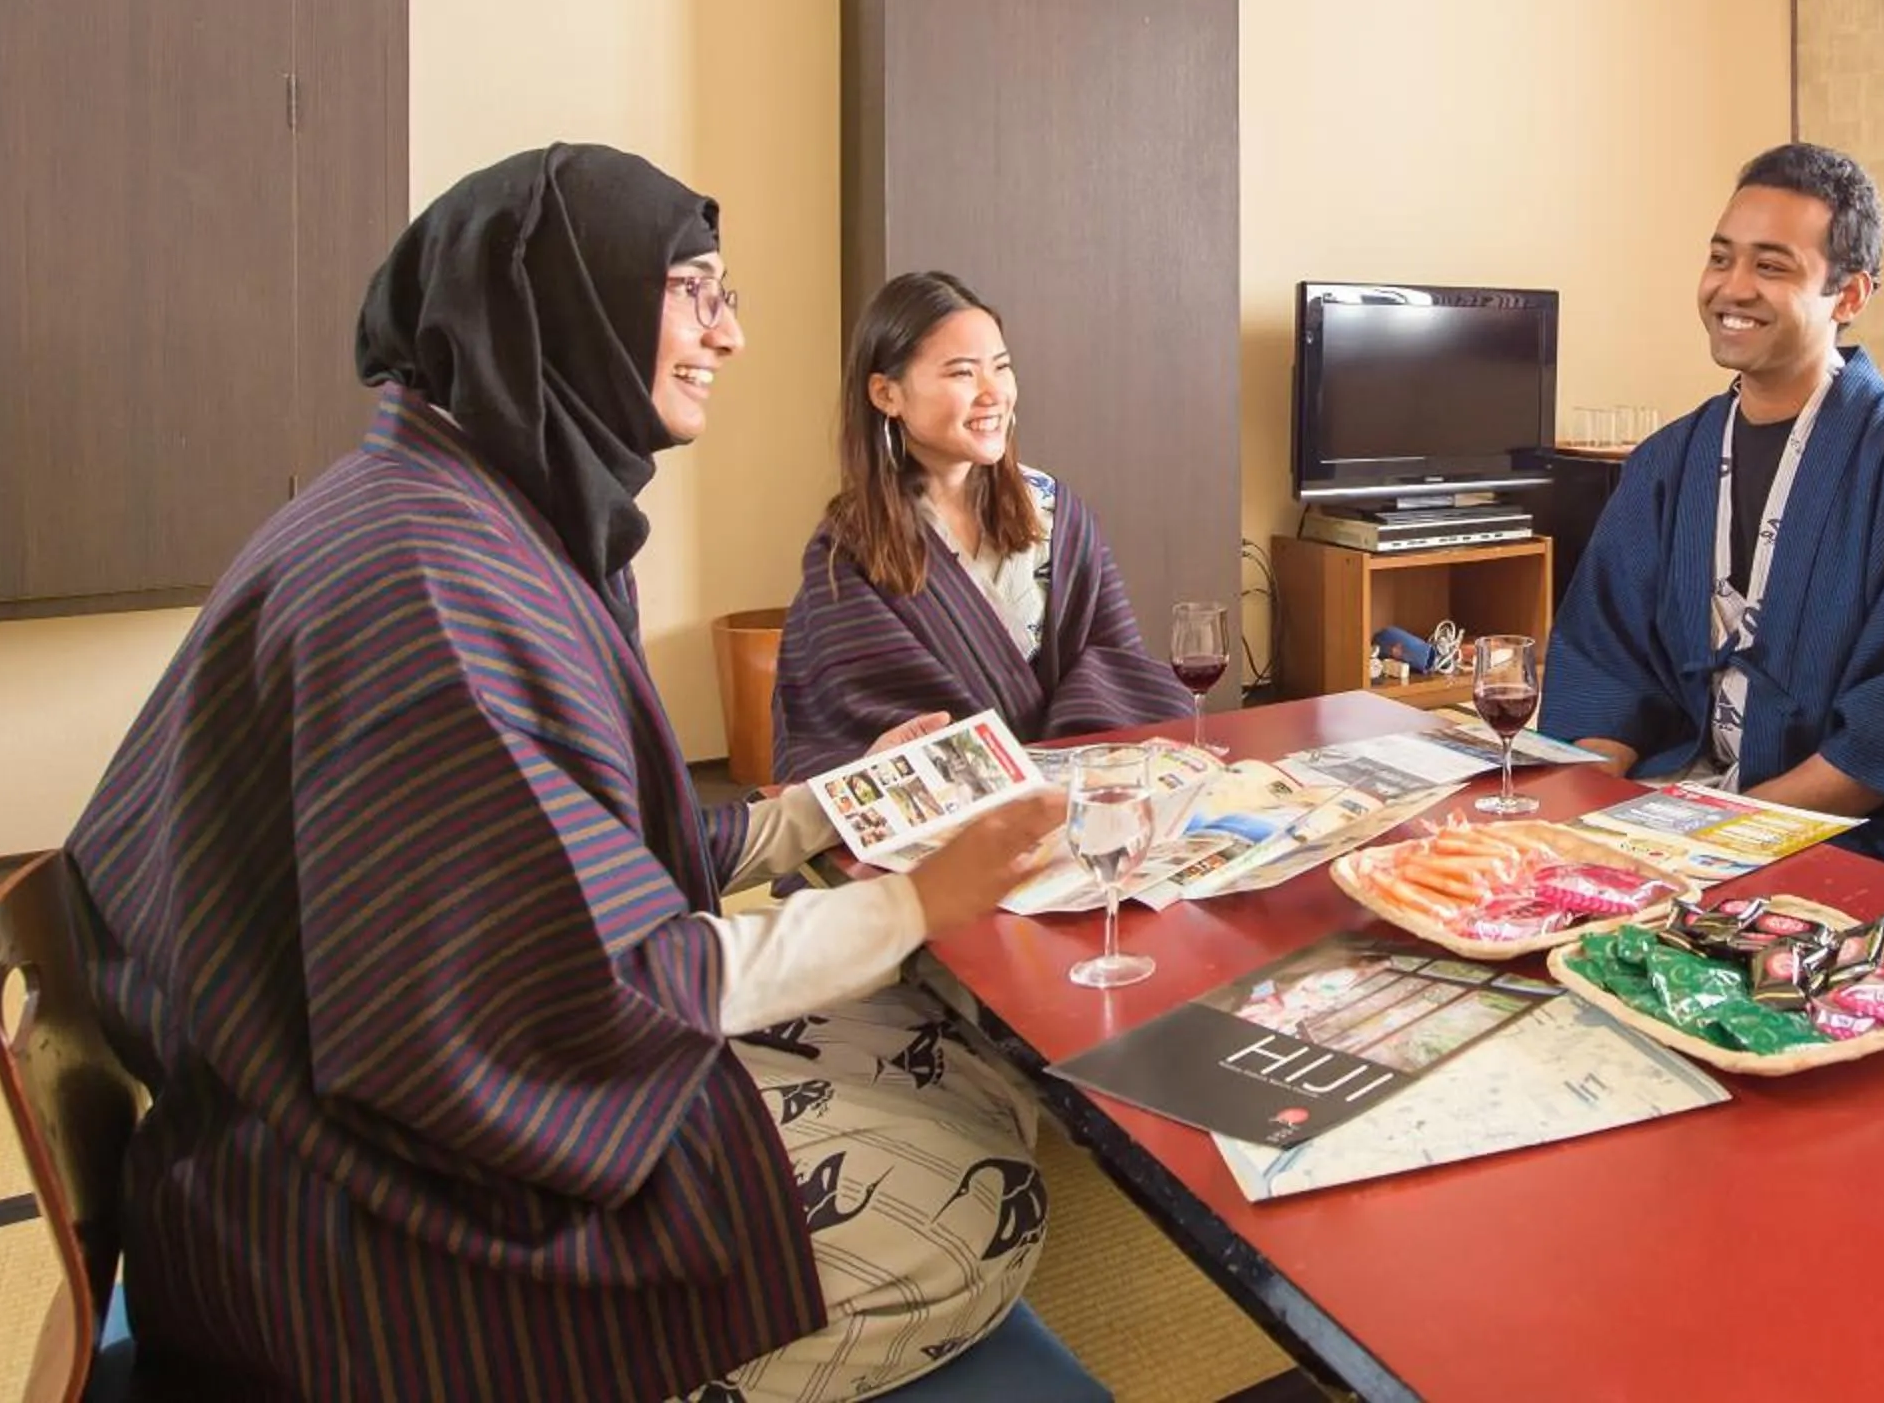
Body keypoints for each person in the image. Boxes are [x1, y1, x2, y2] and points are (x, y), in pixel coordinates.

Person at [63, 145, 1067, 1403]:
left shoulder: (479, 501)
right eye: (695, 289)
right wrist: (920, 899)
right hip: (365, 1222)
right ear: (562, 297)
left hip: (336, 1116)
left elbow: (581, 856)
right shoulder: (432, 580)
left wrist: (822, 803)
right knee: (989, 1210)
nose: (731, 334)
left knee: (953, 1057)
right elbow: (596, 980)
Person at [1541, 143, 1884, 889]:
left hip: (1858, 845)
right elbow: (1603, 660)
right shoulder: (1666, 461)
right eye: (1721, 258)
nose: (1731, 288)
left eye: (1771, 267)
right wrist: (1598, 811)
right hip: (1679, 812)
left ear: (1849, 296)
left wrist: (1723, 833)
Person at [772, 271, 1192, 779]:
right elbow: (842, 726)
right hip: (945, 818)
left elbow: (1116, 666)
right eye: (962, 374)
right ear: (886, 394)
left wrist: (1059, 770)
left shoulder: (1057, 514)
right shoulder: (852, 547)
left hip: (1080, 797)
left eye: (1002, 367)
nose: (993, 393)